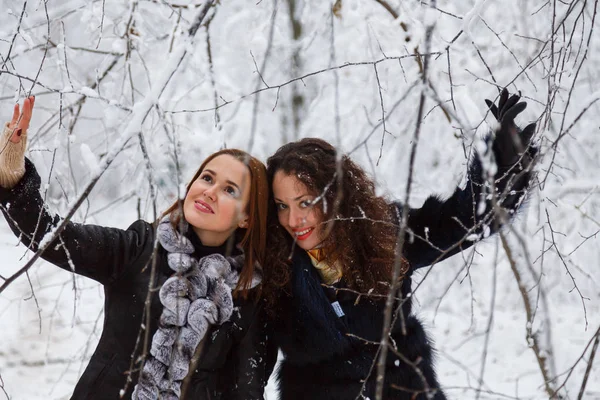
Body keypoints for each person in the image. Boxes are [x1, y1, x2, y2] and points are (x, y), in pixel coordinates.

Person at [262, 89, 537, 399]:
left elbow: (465, 220)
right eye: (282, 205)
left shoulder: (383, 233)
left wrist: (500, 161)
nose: (294, 219)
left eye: (305, 202)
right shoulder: (274, 267)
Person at [0, 96, 277, 399]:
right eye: (207, 178)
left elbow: (247, 392)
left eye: (229, 190)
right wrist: (13, 173)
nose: (210, 192)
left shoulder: (249, 296)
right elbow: (53, 236)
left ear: (247, 218)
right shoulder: (140, 248)